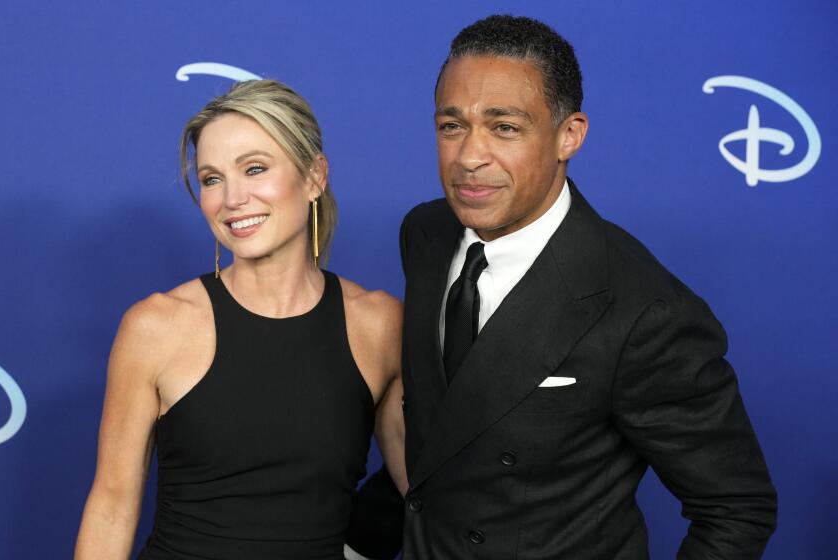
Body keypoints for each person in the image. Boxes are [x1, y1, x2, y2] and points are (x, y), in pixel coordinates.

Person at [348, 14, 777, 560]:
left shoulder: (645, 311)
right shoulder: (427, 234)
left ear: (568, 136)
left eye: (504, 128)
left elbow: (736, 509)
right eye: (451, 126)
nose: (468, 157)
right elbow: (449, 433)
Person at [75, 79, 407, 560]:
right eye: (212, 179)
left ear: (314, 177)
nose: (232, 198)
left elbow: (423, 496)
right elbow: (111, 505)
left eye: (254, 169)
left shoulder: (379, 324)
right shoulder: (155, 326)